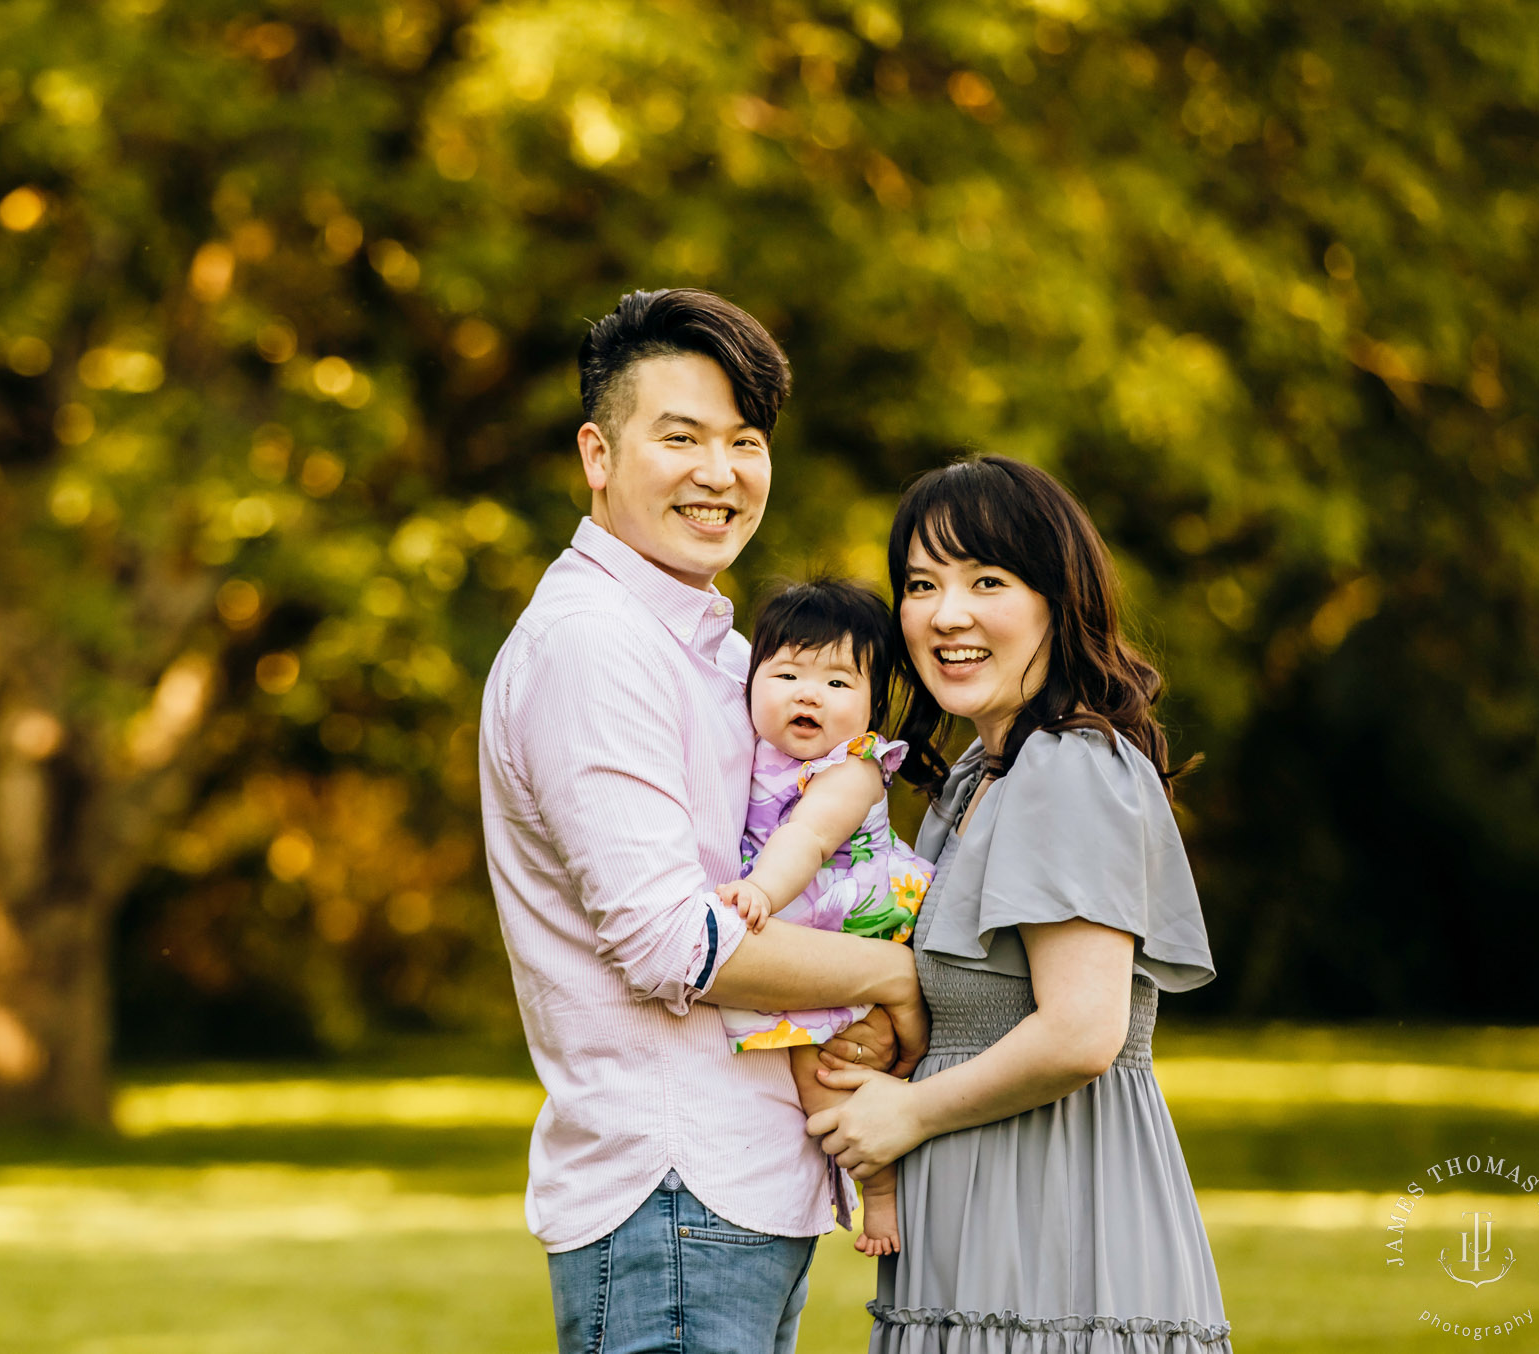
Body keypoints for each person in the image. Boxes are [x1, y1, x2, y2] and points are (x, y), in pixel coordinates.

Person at [478, 288, 926, 1354]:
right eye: (678, 437)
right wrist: (898, 977)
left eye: (744, 440)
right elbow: (675, 945)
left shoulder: (727, 656)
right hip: (671, 1193)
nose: (718, 472)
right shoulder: (594, 647)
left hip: (738, 1190)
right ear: (597, 453)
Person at [809, 454, 1233, 1352]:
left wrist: (909, 1113)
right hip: (975, 1230)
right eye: (920, 584)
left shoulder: (1067, 764)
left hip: (1054, 1227)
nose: (946, 613)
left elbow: (1084, 1030)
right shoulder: (975, 778)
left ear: (1057, 598)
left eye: (986, 579)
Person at [712, 580, 936, 1257]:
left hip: (852, 928)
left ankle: (885, 1197)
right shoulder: (750, 753)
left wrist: (762, 894)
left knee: (840, 1085)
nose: (809, 694)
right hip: (805, 942)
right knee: (819, 1082)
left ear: (873, 706)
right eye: (787, 674)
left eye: (839, 681)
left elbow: (806, 839)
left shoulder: (853, 768)